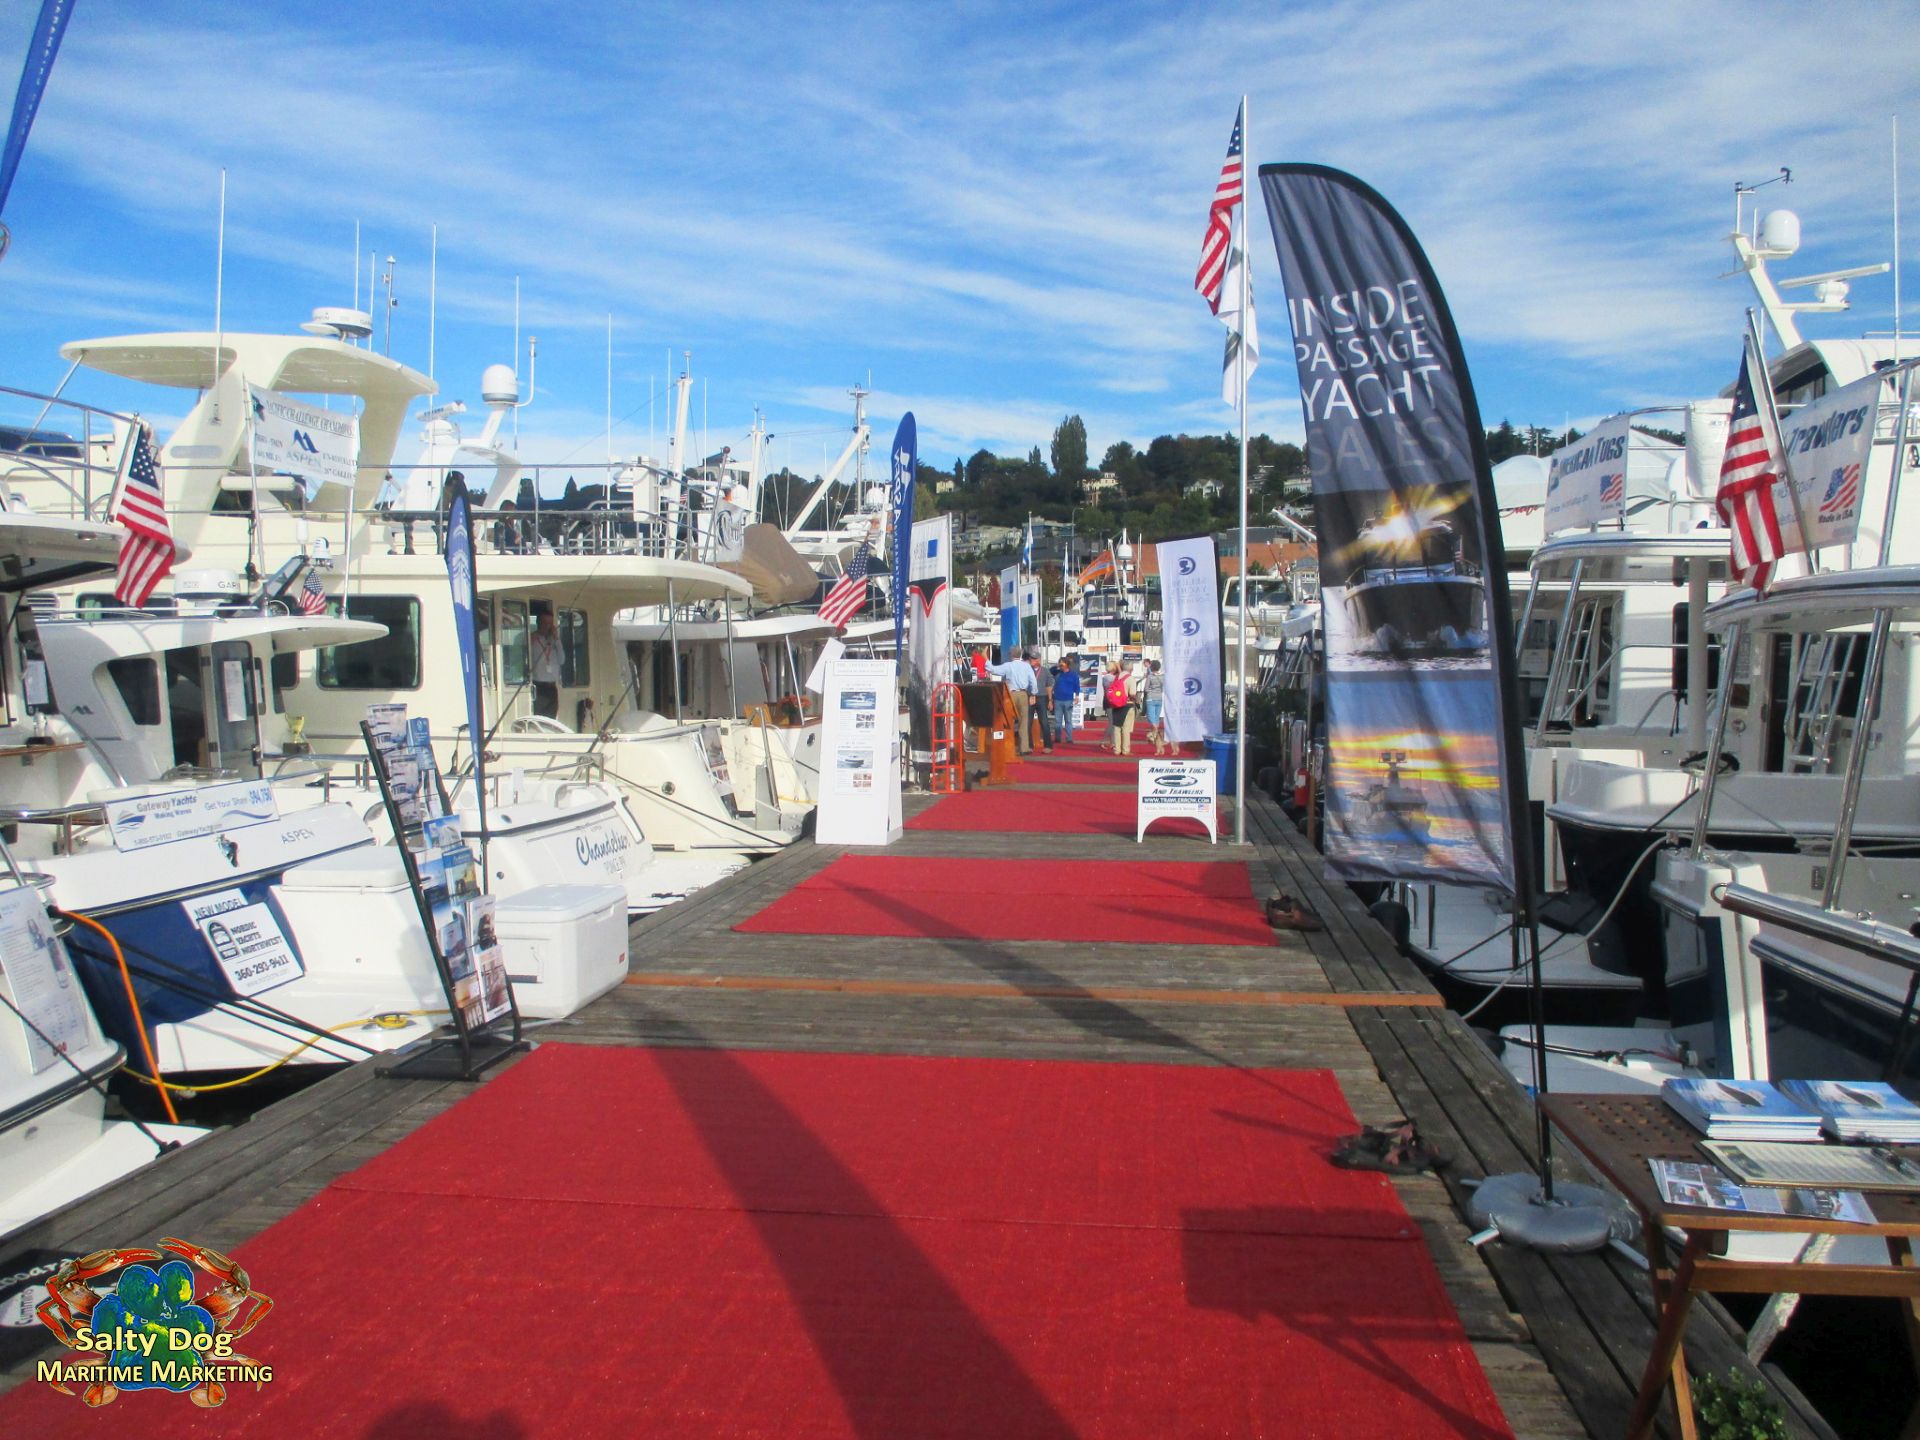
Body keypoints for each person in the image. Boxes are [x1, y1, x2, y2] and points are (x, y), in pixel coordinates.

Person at [985, 647, 1039, 755]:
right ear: (1020, 655)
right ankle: (1024, 747)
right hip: (1023, 694)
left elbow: (993, 669)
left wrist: (986, 659)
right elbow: (1033, 681)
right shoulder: (1027, 666)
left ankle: (1007, 747)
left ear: (1011, 655)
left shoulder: (1008, 666)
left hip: (1010, 694)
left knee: (1008, 720)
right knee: (1024, 721)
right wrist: (1033, 693)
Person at [530, 611, 562, 720]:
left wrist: (557, 640)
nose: (547, 627)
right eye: (545, 623)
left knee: (551, 720)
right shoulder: (533, 639)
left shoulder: (554, 641)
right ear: (538, 623)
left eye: (550, 624)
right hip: (538, 686)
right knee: (539, 719)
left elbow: (562, 660)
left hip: (552, 686)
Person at [1050, 654, 1080, 750]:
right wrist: (1057, 665)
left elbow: (1077, 686)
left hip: (1068, 700)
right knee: (1058, 721)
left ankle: (1069, 738)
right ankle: (1057, 738)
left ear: (1067, 664)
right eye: (1060, 663)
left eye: (1062, 663)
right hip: (1058, 699)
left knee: (1068, 720)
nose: (1061, 664)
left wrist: (1077, 696)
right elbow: (1050, 671)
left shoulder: (1073, 675)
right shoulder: (1057, 673)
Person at [1103, 663, 1134, 754]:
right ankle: (1125, 750)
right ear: (1131, 669)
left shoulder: (1115, 677)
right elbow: (1132, 694)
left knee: (1116, 727)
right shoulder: (1130, 679)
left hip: (1115, 704)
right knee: (1125, 728)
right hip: (1126, 704)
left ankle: (1117, 749)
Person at [1143, 659, 1167, 754]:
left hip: (1150, 698)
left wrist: (1150, 691)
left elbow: (1145, 688)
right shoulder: (1163, 676)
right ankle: (1157, 738)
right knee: (1156, 719)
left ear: (1151, 667)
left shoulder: (1150, 676)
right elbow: (1164, 687)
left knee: (1151, 719)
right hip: (1159, 698)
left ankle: (1156, 738)